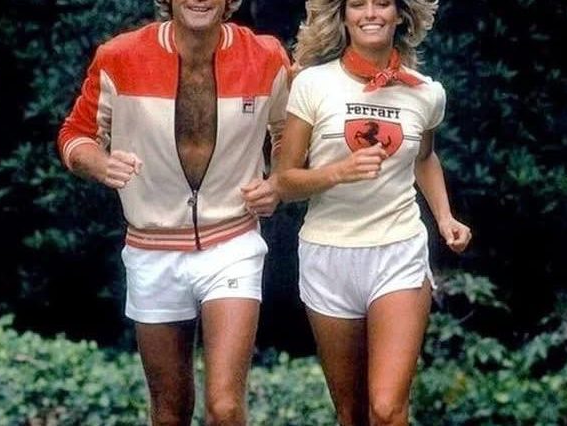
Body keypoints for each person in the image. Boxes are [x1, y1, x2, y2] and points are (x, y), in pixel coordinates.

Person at [57, 0, 290, 424]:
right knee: (169, 412)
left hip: (232, 241)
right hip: (152, 246)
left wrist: (278, 182)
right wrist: (100, 164)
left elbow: (288, 131)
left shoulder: (266, 56)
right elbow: (76, 135)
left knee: (225, 406)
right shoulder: (120, 56)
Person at [277, 0, 471, 425]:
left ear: (400, 14)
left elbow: (424, 158)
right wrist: (338, 172)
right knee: (352, 413)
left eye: (382, 3)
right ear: (343, 15)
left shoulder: (426, 92)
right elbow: (285, 181)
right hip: (328, 254)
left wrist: (444, 217)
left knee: (386, 408)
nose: (370, 13)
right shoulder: (312, 84)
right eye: (357, 4)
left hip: (397, 251)